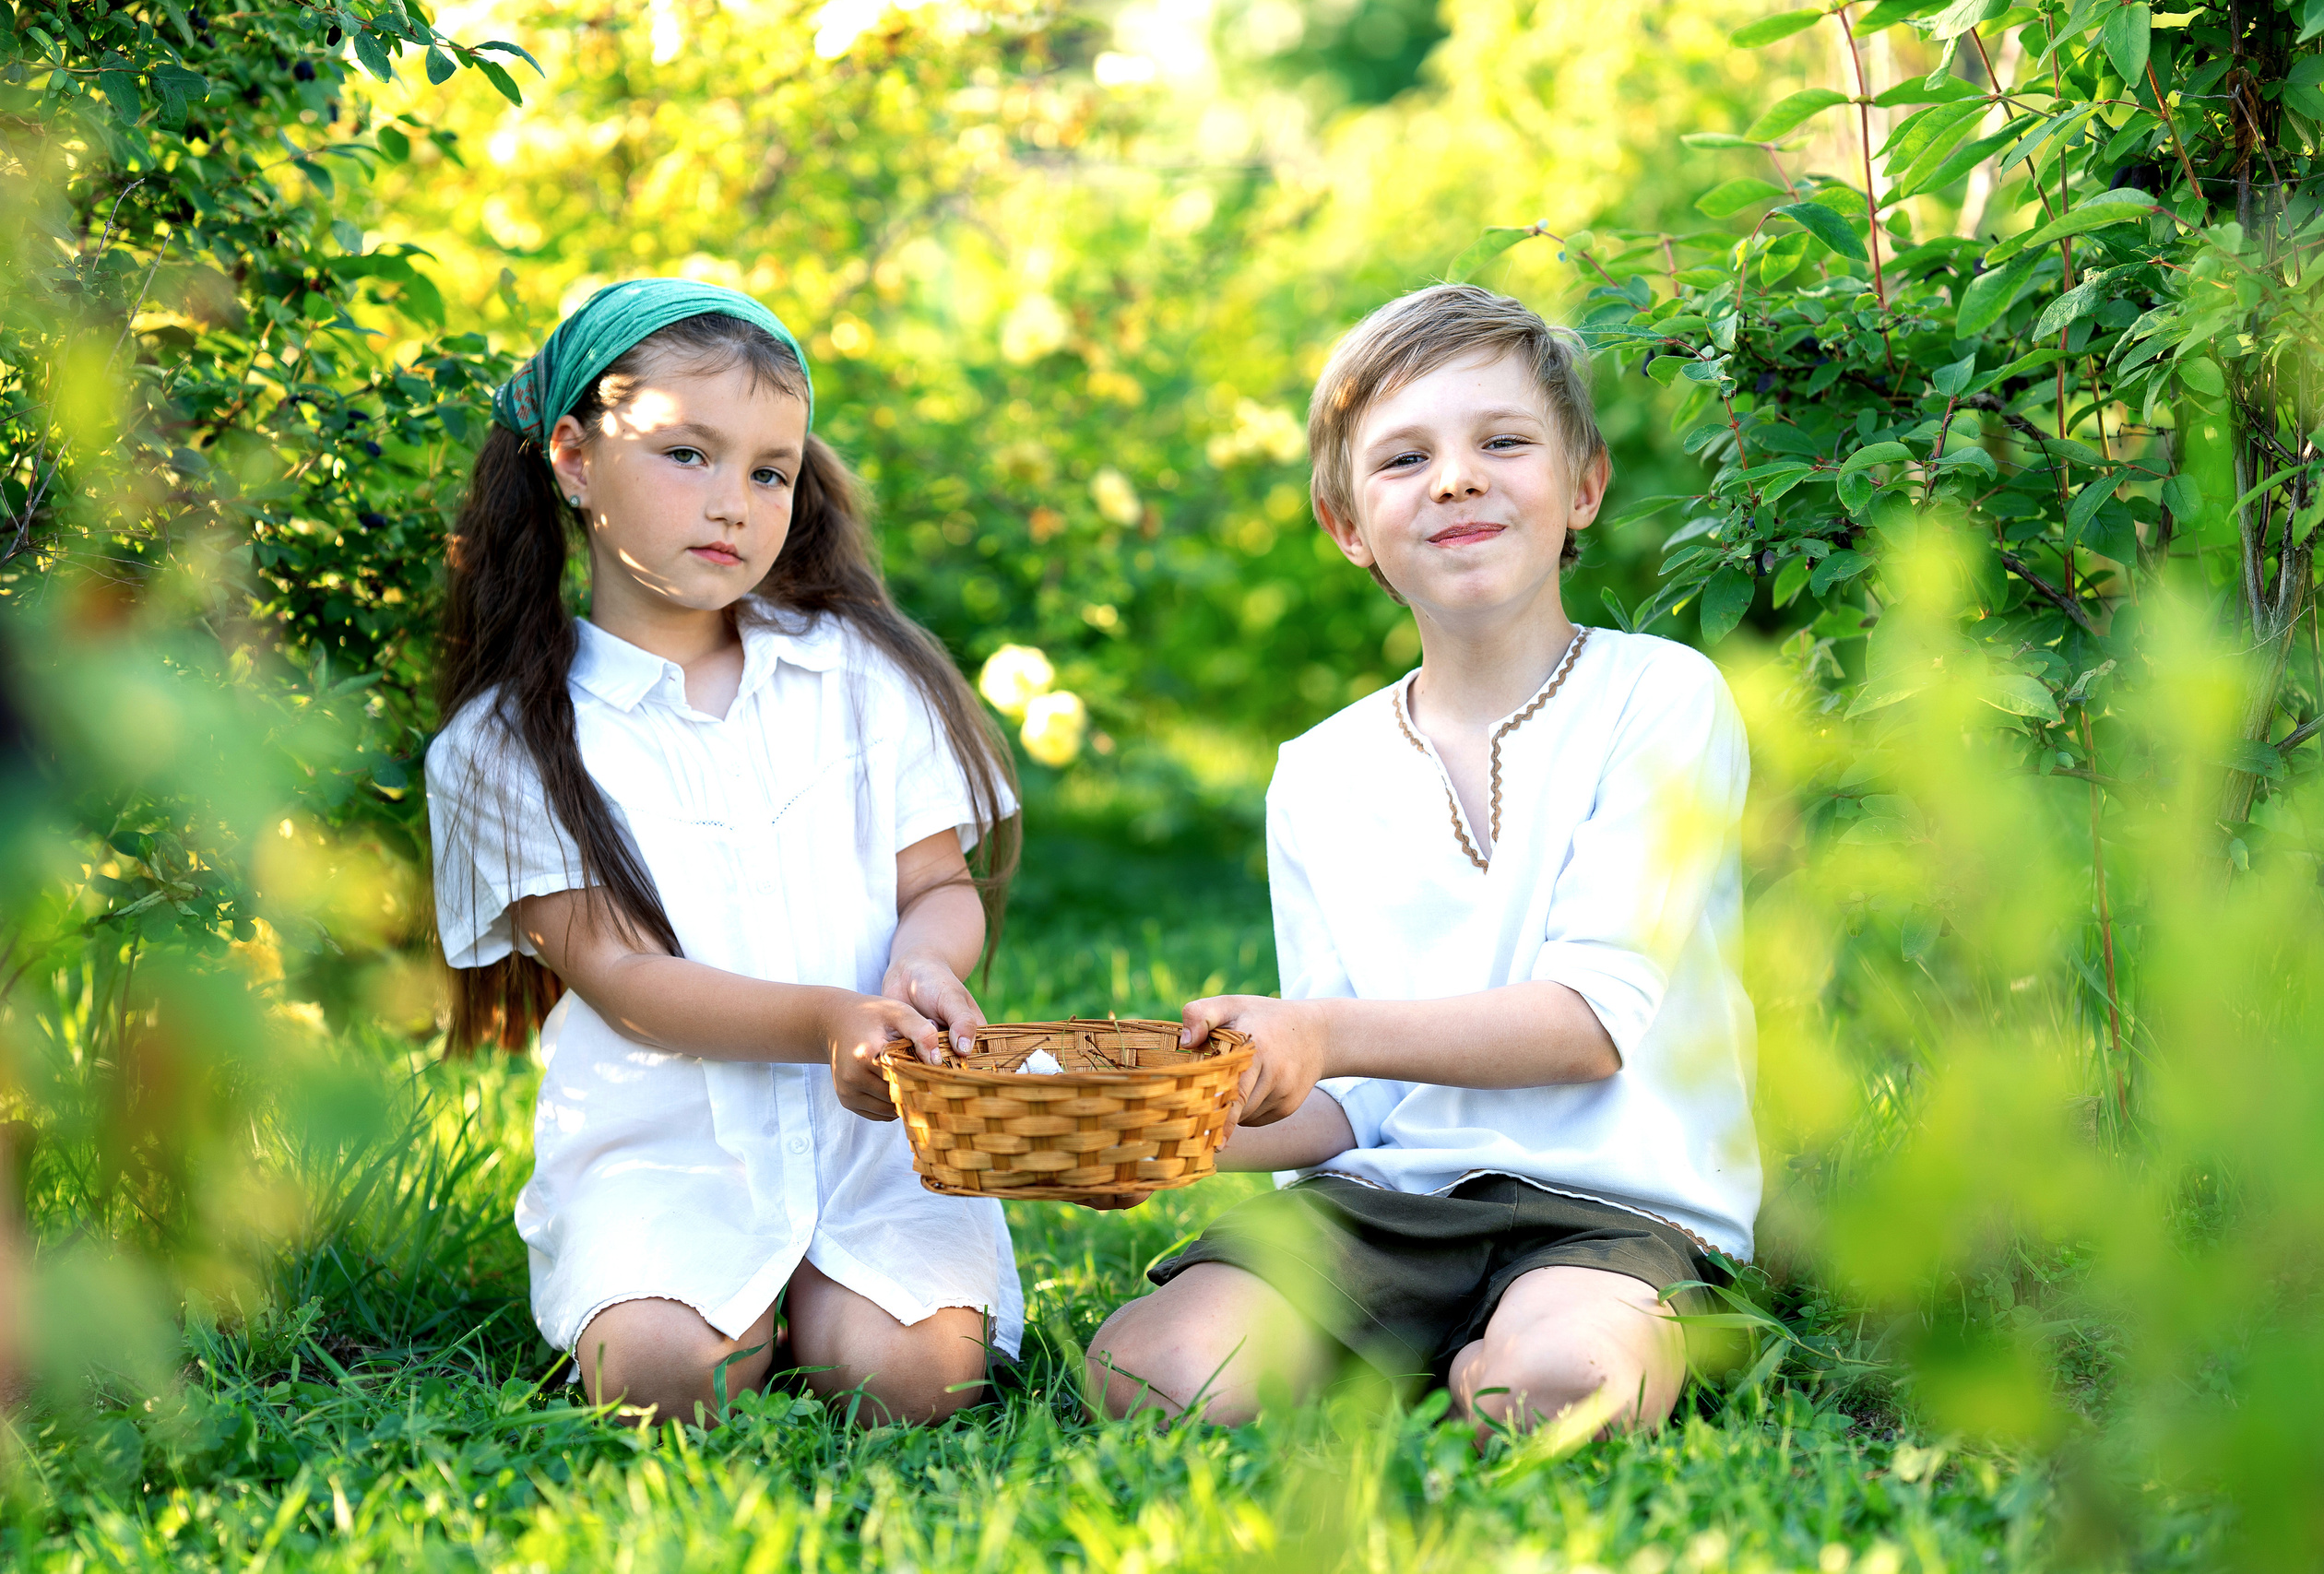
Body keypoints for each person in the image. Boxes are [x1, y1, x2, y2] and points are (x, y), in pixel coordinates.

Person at [1085, 284, 1758, 1441]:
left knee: (1560, 1389)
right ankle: (1406, 1333)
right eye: (1402, 458)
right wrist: (1167, 1132)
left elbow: (1592, 1022)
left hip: (1612, 1205)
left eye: (1503, 442)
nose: (1455, 479)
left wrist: (1323, 1037)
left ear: (1583, 484)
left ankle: (1513, 1341)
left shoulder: (1659, 697)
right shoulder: (1320, 770)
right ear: (1347, 524)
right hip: (1383, 1208)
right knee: (1154, 1369)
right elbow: (1346, 1099)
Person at [425, 279, 1021, 1426]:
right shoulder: (507, 742)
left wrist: (924, 968)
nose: (734, 504)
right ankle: (714, 1307)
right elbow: (627, 981)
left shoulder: (858, 673)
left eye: (768, 470)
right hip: (665, 1149)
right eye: (686, 455)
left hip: (881, 1139)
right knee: (664, 1380)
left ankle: (829, 1303)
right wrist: (822, 1022)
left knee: (915, 1381)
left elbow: (936, 885)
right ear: (575, 457)